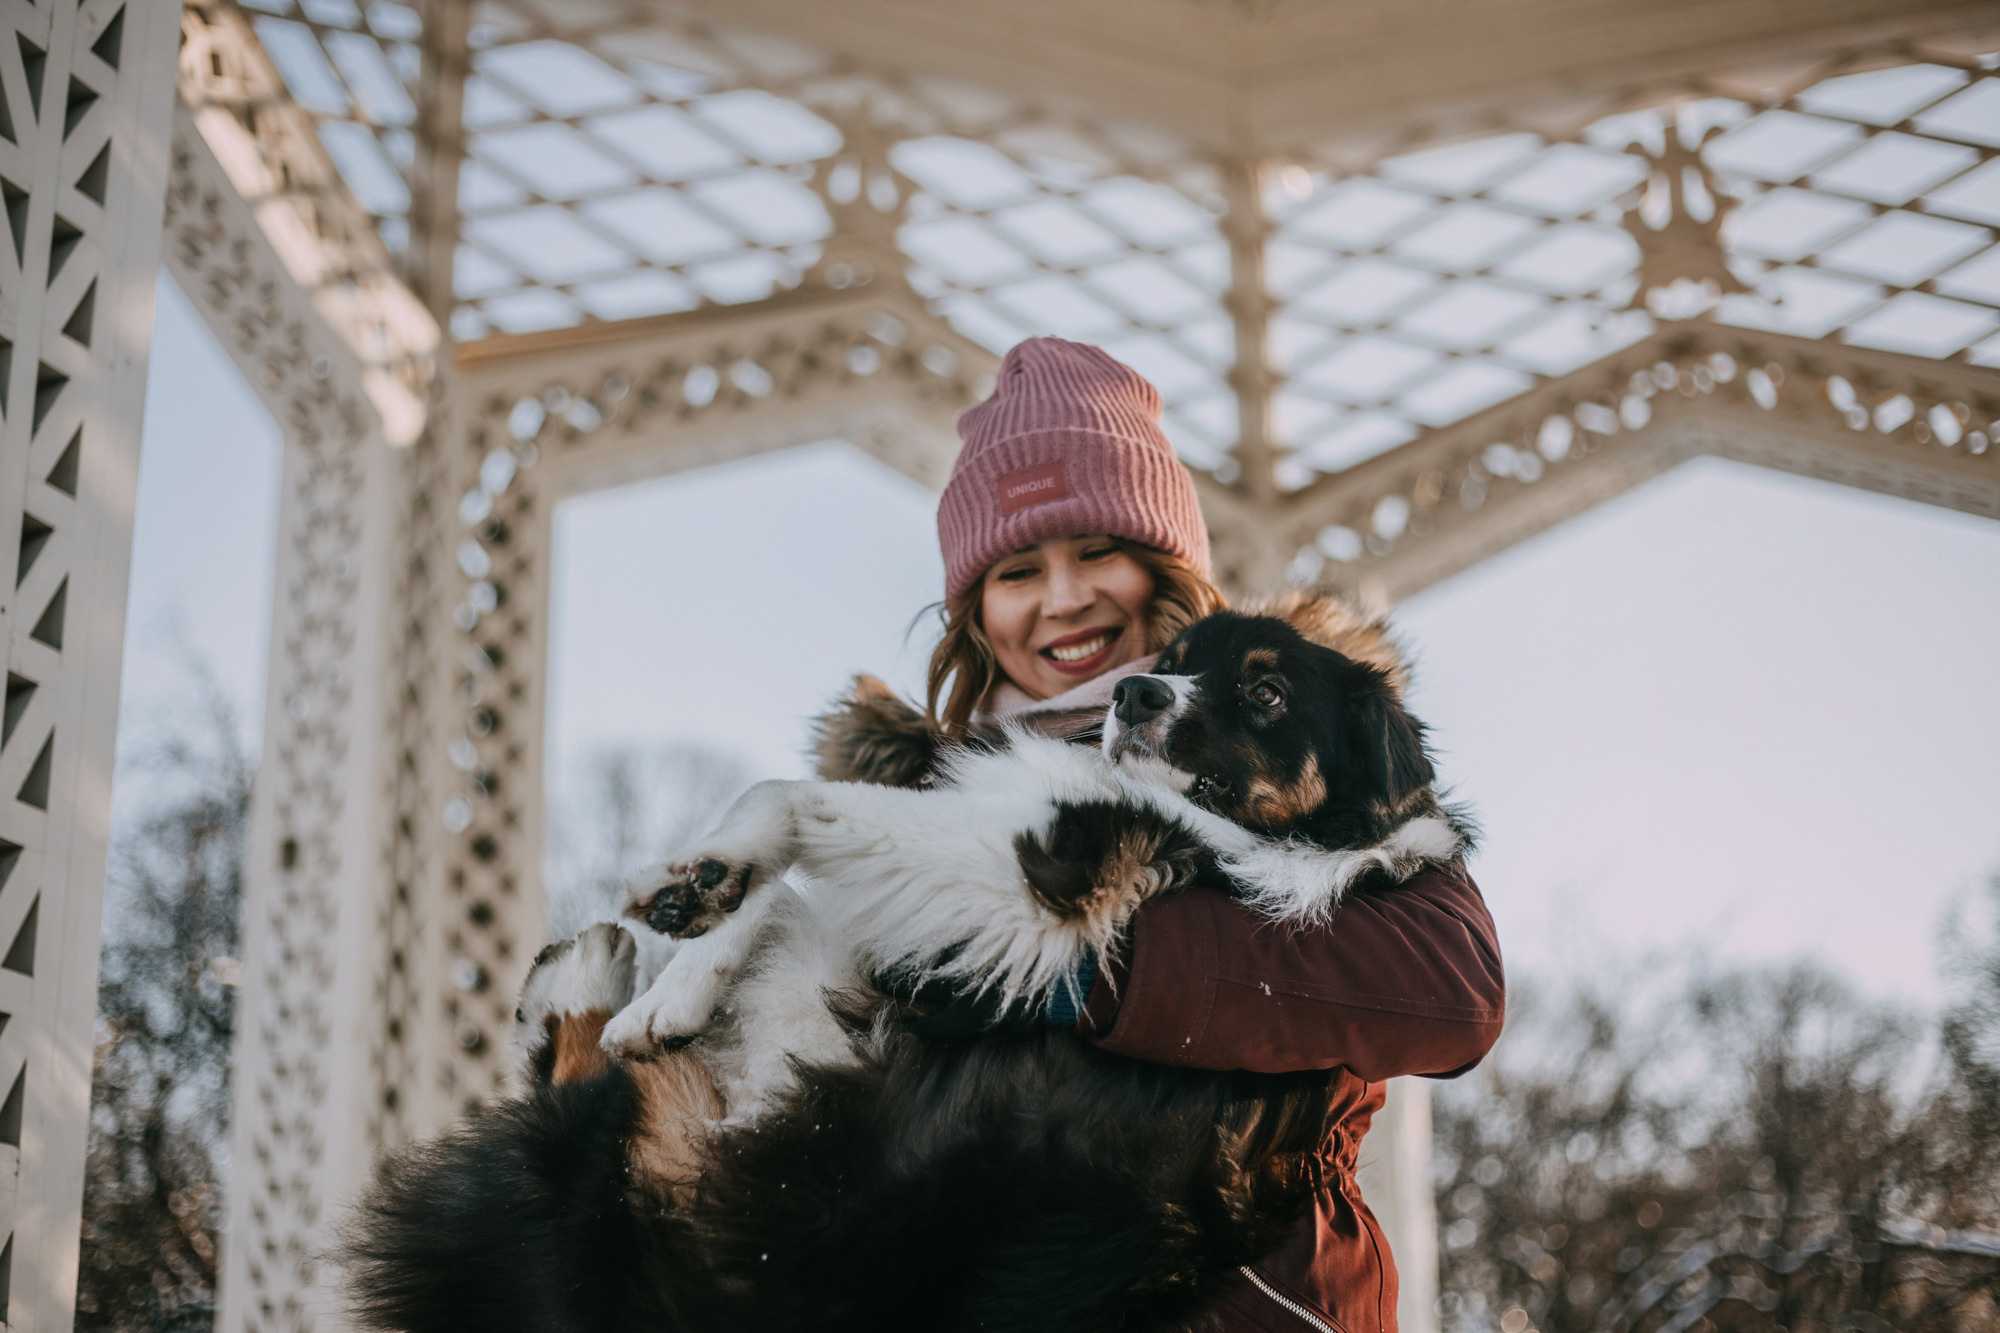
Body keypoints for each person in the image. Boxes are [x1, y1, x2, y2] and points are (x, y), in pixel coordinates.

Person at [811, 336, 1505, 1333]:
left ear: (1165, 566)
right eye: (1016, 569)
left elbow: (1451, 989)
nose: (1062, 599)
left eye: (1098, 550)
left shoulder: (1306, 742)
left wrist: (1086, 968)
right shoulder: (914, 803)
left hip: (1247, 1297)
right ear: (973, 610)